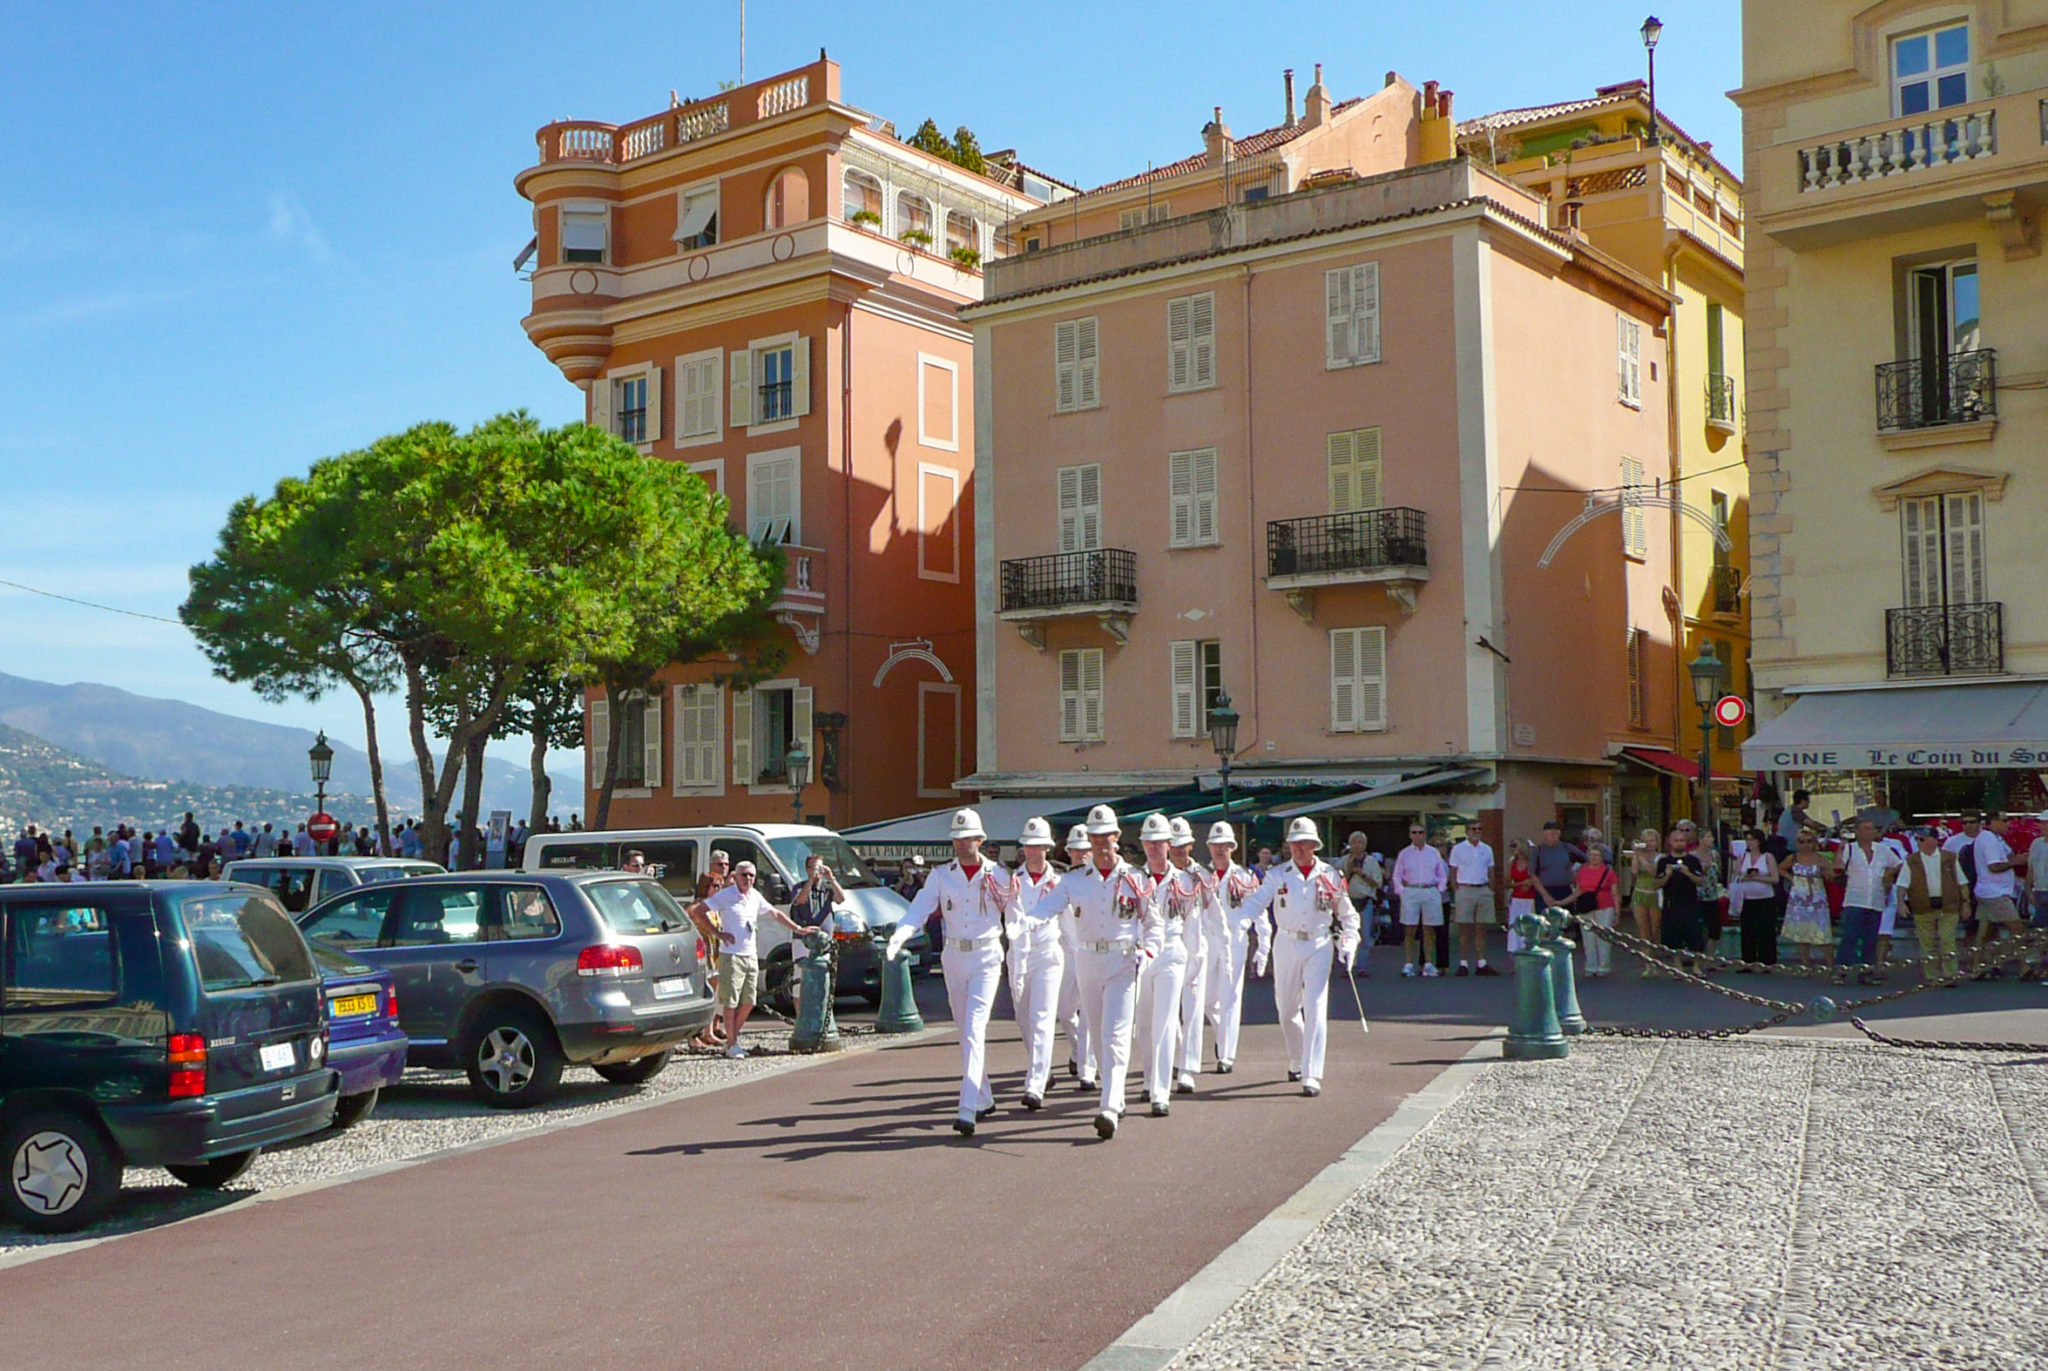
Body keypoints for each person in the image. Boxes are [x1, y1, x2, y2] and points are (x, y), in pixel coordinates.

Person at [885, 809, 1017, 1138]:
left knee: (974, 1028)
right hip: (954, 957)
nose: (960, 844)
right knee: (965, 1031)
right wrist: (901, 933)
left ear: (980, 840)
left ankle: (967, 1108)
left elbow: (1016, 918)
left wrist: (1023, 957)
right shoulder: (942, 875)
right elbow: (921, 905)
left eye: (966, 838)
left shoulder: (999, 875)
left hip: (986, 955)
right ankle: (984, 1097)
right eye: (956, 839)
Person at [1037, 805, 1163, 1140]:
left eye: (1106, 836)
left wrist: (1148, 952)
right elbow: (1047, 907)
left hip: (1123, 960)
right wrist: (1026, 922)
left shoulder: (1136, 879)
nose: (1100, 843)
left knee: (1116, 1034)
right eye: (1094, 837)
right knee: (1096, 1032)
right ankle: (1115, 1092)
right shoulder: (1075, 880)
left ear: (1117, 837)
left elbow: (1154, 924)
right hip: (1087, 959)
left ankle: (1108, 1108)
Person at [1242, 817, 1360, 1098]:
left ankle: (1311, 1073)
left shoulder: (1330, 875)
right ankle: (1296, 1056)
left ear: (1314, 845)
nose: (1298, 849)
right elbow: (1257, 902)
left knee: (1316, 1006)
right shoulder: (1278, 874)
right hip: (1286, 941)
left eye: (1304, 843)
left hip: (1319, 943)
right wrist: (1238, 924)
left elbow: (1348, 914)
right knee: (1286, 1008)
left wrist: (1350, 940)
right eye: (1294, 843)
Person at [689, 860, 804, 1060]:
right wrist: (718, 933)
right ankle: (732, 1044)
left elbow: (775, 913)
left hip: (750, 954)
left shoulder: (755, 896)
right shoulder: (726, 895)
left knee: (749, 1001)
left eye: (751, 875)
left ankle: (732, 1040)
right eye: (744, 875)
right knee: (731, 1002)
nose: (748, 879)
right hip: (731, 955)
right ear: (737, 876)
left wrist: (798, 929)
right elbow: (699, 912)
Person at [1130, 814, 1193, 1117]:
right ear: (1143, 844)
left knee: (1165, 1022)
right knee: (1143, 1023)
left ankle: (1160, 1092)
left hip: (1170, 951)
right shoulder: (1132, 878)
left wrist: (1195, 961)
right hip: (1140, 955)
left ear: (1170, 844)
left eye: (1160, 843)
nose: (1154, 848)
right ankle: (1147, 1078)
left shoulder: (1184, 880)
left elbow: (1192, 921)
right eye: (1149, 842)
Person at [1005, 818, 1066, 1110]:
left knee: (1042, 1018)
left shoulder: (1060, 881)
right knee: (1024, 1018)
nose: (1031, 852)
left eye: (1036, 846)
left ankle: (1035, 1084)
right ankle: (1041, 1068)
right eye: (1027, 846)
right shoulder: (1010, 880)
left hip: (1047, 952)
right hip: (1018, 954)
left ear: (1047, 848)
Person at [1193, 820, 1261, 1075]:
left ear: (1232, 847)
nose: (1220, 850)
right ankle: (1222, 1035)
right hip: (1207, 940)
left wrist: (1262, 942)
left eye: (1225, 846)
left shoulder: (1244, 877)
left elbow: (1258, 911)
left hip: (1234, 941)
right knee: (1209, 1000)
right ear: (1209, 847)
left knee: (1231, 998)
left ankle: (1226, 1055)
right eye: (1215, 845)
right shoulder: (1199, 875)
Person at [1168, 817, 1216, 1096]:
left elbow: (1213, 911)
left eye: (1182, 845)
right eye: (1172, 845)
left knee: (1193, 1009)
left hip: (1196, 949)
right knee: (1168, 1009)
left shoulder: (1202, 875)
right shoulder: (1155, 875)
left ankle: (1187, 1069)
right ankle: (1175, 1055)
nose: (1177, 850)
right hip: (1169, 948)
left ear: (1190, 845)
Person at [1896, 828, 1966, 985]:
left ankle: (1950, 974)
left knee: (1947, 939)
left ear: (1934, 840)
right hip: (1923, 905)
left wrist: (1965, 903)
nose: (1919, 843)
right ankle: (1932, 975)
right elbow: (1902, 885)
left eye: (1923, 839)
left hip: (1948, 905)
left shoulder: (1949, 858)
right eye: (1918, 840)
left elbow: (1962, 883)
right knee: (1927, 942)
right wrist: (1901, 903)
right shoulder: (1912, 860)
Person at [1834, 818, 1900, 984]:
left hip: (1876, 899)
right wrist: (1840, 849)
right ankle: (1840, 970)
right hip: (1855, 899)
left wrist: (1889, 874)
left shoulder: (1883, 850)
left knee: (1871, 939)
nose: (1869, 832)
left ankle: (1866, 972)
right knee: (1850, 936)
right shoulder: (1850, 849)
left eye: (1871, 829)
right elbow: (1837, 867)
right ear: (1857, 831)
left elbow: (1899, 864)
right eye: (1865, 829)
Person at [1056, 823, 1095, 1087]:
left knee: (1092, 1013)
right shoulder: (1061, 881)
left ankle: (1088, 1068)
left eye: (1085, 850)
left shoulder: (1103, 880)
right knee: (1064, 1011)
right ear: (1068, 852)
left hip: (1094, 951)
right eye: (1076, 851)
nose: (1080, 855)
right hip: (1067, 953)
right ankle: (1078, 1048)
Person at [787, 854, 845, 1017]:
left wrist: (831, 878)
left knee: (823, 975)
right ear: (806, 869)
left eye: (819, 868)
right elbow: (801, 900)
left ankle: (822, 1012)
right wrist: (811, 881)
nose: (816, 872)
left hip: (822, 941)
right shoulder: (799, 886)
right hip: (802, 940)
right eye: (812, 868)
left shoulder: (827, 889)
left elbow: (841, 898)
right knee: (799, 977)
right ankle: (800, 1016)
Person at [1390, 824, 1448, 978]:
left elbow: (1442, 874)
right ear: (1410, 835)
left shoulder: (1434, 853)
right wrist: (1402, 891)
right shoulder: (1404, 854)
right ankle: (1409, 964)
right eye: (1414, 833)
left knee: (1429, 930)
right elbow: (1397, 875)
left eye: (1420, 832)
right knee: (1410, 929)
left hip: (1430, 890)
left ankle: (1428, 964)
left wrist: (1439, 889)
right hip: (1411, 891)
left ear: (1425, 834)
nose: (1417, 835)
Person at [1967, 812, 2021, 976]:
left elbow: (2010, 854)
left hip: (1990, 891)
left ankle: (1979, 966)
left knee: (1986, 931)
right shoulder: (1988, 840)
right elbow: (1994, 866)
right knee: (2018, 929)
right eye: (2004, 820)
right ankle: (2024, 966)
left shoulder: (1996, 838)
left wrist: (2015, 858)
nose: (2008, 824)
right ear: (1993, 822)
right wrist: (2016, 862)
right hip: (1995, 893)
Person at [1446, 828, 1499, 976]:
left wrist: (1491, 889)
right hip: (1465, 888)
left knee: (1481, 928)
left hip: (1483, 889)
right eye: (1473, 829)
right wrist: (1456, 888)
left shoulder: (1487, 848)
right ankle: (1463, 963)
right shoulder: (1458, 849)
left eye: (1480, 829)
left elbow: (1491, 870)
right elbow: (1453, 871)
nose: (1477, 832)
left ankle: (1481, 962)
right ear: (1467, 831)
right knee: (1464, 928)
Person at [1654, 829, 1709, 969]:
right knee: (1673, 936)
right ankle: (1677, 965)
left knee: (1695, 935)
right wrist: (1667, 875)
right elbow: (1656, 884)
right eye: (1676, 840)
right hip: (1671, 903)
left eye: (1682, 840)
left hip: (1690, 903)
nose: (1679, 843)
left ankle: (1696, 966)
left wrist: (1687, 872)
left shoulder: (1693, 860)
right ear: (1670, 842)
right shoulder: (1664, 861)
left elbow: (1701, 881)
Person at [1781, 830, 1835, 970]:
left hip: (1817, 898)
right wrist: (1791, 879)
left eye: (1809, 841)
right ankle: (1805, 964)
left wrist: (1825, 872)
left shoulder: (1821, 858)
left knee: (1823, 930)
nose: (1805, 845)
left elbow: (1831, 875)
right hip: (1799, 898)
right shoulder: (1793, 858)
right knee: (1801, 932)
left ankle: (1831, 964)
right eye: (1801, 842)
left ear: (1814, 843)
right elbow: (1781, 869)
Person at [1730, 829, 1781, 967]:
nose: (1749, 842)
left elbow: (1775, 878)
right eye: (1748, 840)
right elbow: (1735, 876)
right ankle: (1748, 960)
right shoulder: (1742, 857)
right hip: (1747, 899)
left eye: (1752, 839)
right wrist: (1744, 877)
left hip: (1765, 898)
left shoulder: (1768, 857)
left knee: (1766, 930)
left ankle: (1767, 960)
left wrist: (1757, 877)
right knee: (1748, 930)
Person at [1572, 844, 1620, 977]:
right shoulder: (1582, 871)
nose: (1594, 858)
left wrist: (1617, 911)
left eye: (1597, 855)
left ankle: (1604, 966)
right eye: (1591, 855)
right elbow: (1578, 890)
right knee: (1588, 937)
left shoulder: (1609, 872)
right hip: (1586, 906)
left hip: (1605, 906)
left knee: (1603, 937)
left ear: (1602, 857)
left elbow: (1615, 893)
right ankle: (1591, 965)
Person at [1505, 840, 1539, 956]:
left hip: (1531, 898)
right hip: (1517, 898)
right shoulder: (1512, 863)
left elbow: (1539, 879)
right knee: (1516, 925)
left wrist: (1530, 883)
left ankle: (1530, 949)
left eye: (1515, 846)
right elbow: (1507, 883)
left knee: (1530, 924)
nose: (1513, 849)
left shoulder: (1532, 863)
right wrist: (1521, 884)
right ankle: (1515, 951)